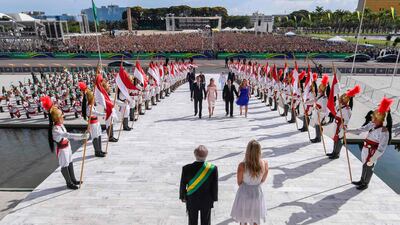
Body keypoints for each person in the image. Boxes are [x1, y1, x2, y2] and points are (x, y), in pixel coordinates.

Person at [41, 96, 89, 190]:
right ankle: (69, 183)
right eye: (61, 116)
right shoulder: (55, 129)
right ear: (57, 118)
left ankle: (73, 179)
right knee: (64, 165)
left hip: (67, 147)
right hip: (62, 149)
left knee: (70, 162)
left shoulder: (61, 125)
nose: (63, 117)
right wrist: (82, 136)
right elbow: (68, 135)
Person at [348, 97, 393, 190]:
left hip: (372, 152)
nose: (372, 117)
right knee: (364, 165)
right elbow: (361, 130)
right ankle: (361, 180)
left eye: (374, 116)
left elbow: (381, 148)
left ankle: (365, 183)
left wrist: (373, 158)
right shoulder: (372, 125)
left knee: (369, 167)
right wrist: (348, 131)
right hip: (365, 149)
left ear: (378, 118)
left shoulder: (384, 131)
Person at [231, 140, 268, 225]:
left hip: (244, 192)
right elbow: (263, 180)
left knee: (243, 219)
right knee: (256, 219)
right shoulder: (265, 163)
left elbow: (239, 182)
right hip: (257, 193)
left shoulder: (242, 165)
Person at [180, 145, 218, 225]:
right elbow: (214, 186)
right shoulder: (212, 168)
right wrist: (214, 198)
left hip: (192, 199)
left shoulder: (186, 168)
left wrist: (183, 196)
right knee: (206, 222)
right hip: (207, 199)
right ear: (206, 155)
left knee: (192, 222)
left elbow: (183, 184)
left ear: (195, 155)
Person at [327, 85, 361, 159]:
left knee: (339, 139)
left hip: (340, 126)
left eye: (343, 98)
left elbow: (346, 121)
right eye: (342, 98)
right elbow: (336, 111)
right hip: (336, 124)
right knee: (335, 139)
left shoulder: (347, 109)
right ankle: (333, 152)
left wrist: (342, 129)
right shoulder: (340, 106)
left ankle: (336, 154)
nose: (342, 99)